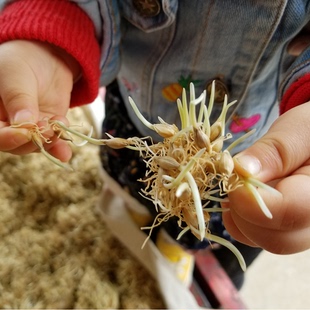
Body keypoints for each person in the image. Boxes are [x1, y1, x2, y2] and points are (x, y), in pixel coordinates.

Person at [0, 0, 310, 292]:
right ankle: (136, 209)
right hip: (135, 112)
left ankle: (181, 246)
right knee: (132, 177)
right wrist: (48, 27)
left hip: (245, 150)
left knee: (206, 223)